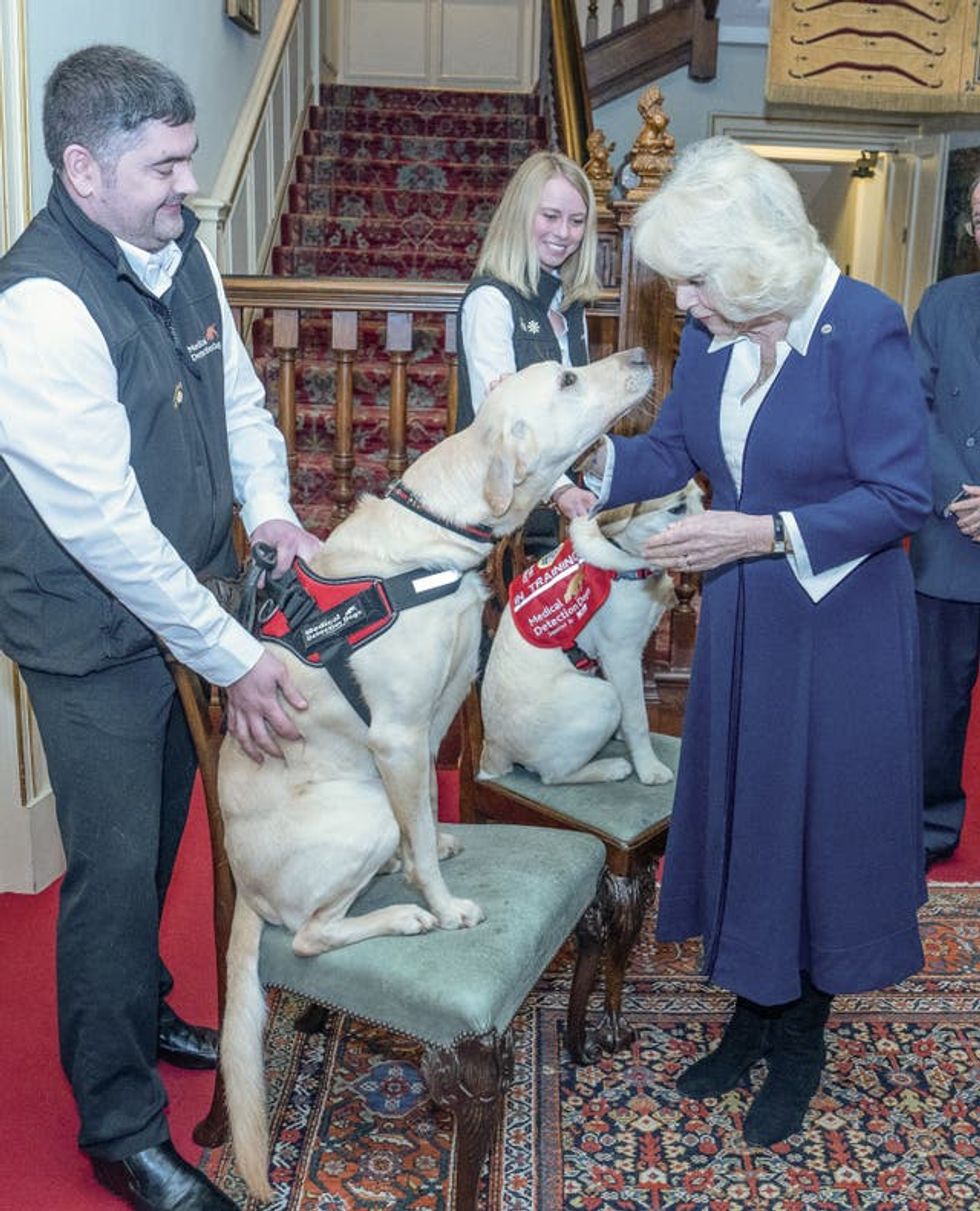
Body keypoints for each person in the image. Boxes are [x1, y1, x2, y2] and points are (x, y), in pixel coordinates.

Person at [0, 45, 320, 1210]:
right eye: (165, 164)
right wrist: (234, 653)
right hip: (89, 637)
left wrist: (274, 514)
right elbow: (106, 527)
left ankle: (143, 1007)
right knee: (114, 867)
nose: (187, 184)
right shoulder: (36, 306)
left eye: (188, 158)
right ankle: (120, 1126)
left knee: (169, 841)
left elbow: (235, 397)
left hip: (189, 607)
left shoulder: (182, 254)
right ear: (82, 169)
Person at [585, 137, 931, 1147]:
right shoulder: (714, 335)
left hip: (839, 624)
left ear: (744, 265)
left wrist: (759, 530)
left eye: (693, 282)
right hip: (745, 619)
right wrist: (577, 460)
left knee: (818, 826)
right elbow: (674, 449)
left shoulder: (861, 326)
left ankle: (803, 1035)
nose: (682, 304)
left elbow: (898, 495)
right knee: (748, 812)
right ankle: (750, 1012)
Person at [456, 149, 601, 530]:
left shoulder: (571, 304)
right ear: (521, 214)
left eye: (577, 221)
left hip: (563, 504)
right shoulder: (491, 299)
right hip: (501, 511)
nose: (564, 233)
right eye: (550, 216)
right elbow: (500, 425)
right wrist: (560, 490)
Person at [908, 173, 980, 869]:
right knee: (935, 709)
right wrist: (962, 496)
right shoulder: (942, 303)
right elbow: (911, 409)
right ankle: (928, 832)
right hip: (948, 534)